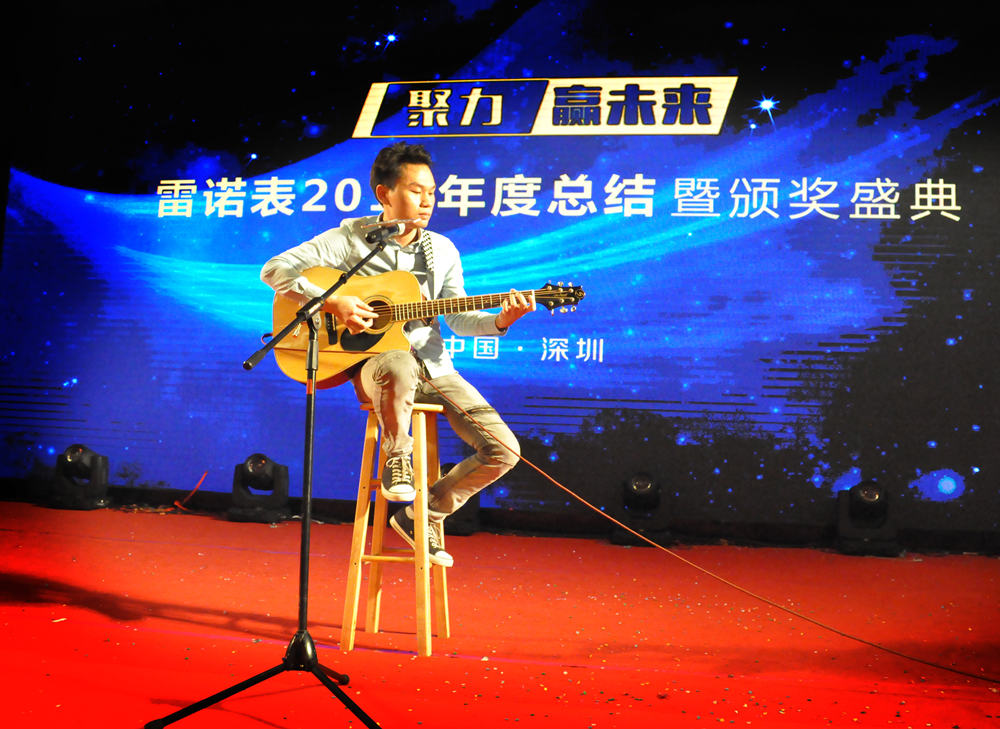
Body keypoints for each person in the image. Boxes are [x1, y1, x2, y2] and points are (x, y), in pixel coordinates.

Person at [260, 142, 534, 568]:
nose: (427, 201)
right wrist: (333, 302)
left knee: (504, 450)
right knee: (399, 361)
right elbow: (275, 269)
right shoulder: (350, 240)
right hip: (379, 367)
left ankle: (423, 514)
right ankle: (397, 457)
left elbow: (459, 317)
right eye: (415, 190)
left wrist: (502, 320)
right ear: (384, 193)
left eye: (432, 192)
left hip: (435, 369)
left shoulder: (442, 250)